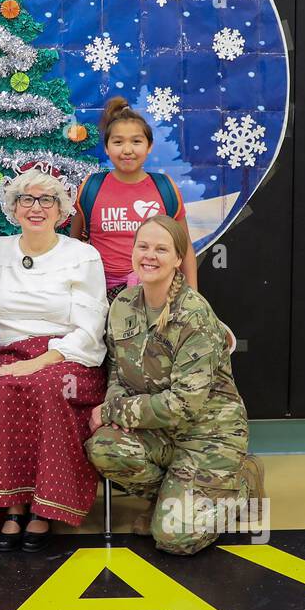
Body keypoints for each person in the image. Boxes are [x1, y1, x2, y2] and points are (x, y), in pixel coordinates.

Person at [85, 214, 265, 555]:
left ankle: (240, 483)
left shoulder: (193, 314)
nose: (150, 255)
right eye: (143, 246)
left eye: (161, 249)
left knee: (174, 539)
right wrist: (114, 404)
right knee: (105, 447)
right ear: (133, 251)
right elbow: (116, 372)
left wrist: (112, 410)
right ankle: (171, 494)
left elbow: (182, 406)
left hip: (208, 434)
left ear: (178, 259)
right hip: (156, 430)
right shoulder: (122, 305)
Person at [0, 162, 109, 551]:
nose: (36, 207)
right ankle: (13, 506)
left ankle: (46, 508)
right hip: (12, 355)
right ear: (13, 208)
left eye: (47, 199)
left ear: (61, 211)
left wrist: (41, 360)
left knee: (45, 386)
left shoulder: (82, 256)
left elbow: (89, 328)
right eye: (26, 199)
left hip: (70, 361)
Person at [69, 96, 198, 303]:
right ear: (106, 148)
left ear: (149, 146)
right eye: (118, 142)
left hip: (156, 292)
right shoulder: (90, 187)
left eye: (136, 141)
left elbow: (186, 249)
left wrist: (193, 298)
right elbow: (72, 246)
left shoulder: (165, 188)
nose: (127, 150)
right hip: (99, 294)